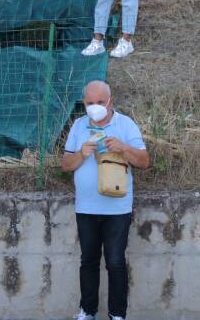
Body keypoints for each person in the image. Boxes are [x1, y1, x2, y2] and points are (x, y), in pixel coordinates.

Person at [62, 80, 149, 320]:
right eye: (90, 103)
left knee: (115, 262)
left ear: (110, 101)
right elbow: (66, 165)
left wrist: (123, 148)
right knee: (88, 261)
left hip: (117, 208)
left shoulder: (126, 124)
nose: (95, 107)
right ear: (84, 103)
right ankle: (87, 311)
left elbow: (144, 161)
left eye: (100, 102)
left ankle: (117, 315)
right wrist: (81, 153)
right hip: (86, 207)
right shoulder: (78, 126)